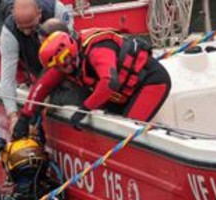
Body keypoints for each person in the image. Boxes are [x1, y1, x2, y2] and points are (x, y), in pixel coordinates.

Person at [12, 28, 171, 138]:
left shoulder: (97, 50)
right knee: (115, 127)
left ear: (71, 48)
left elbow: (109, 82)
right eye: (59, 65)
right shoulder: (62, 65)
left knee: (127, 131)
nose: (66, 66)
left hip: (150, 82)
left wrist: (84, 109)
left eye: (66, 58)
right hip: (122, 94)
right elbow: (41, 87)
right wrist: (25, 117)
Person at [0, 0, 73, 133]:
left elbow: (71, 54)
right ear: (13, 15)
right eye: (21, 28)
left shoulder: (58, 11)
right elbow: (7, 78)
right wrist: (13, 116)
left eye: (31, 27)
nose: (27, 33)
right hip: (37, 72)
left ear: (39, 13)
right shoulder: (9, 31)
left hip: (64, 67)